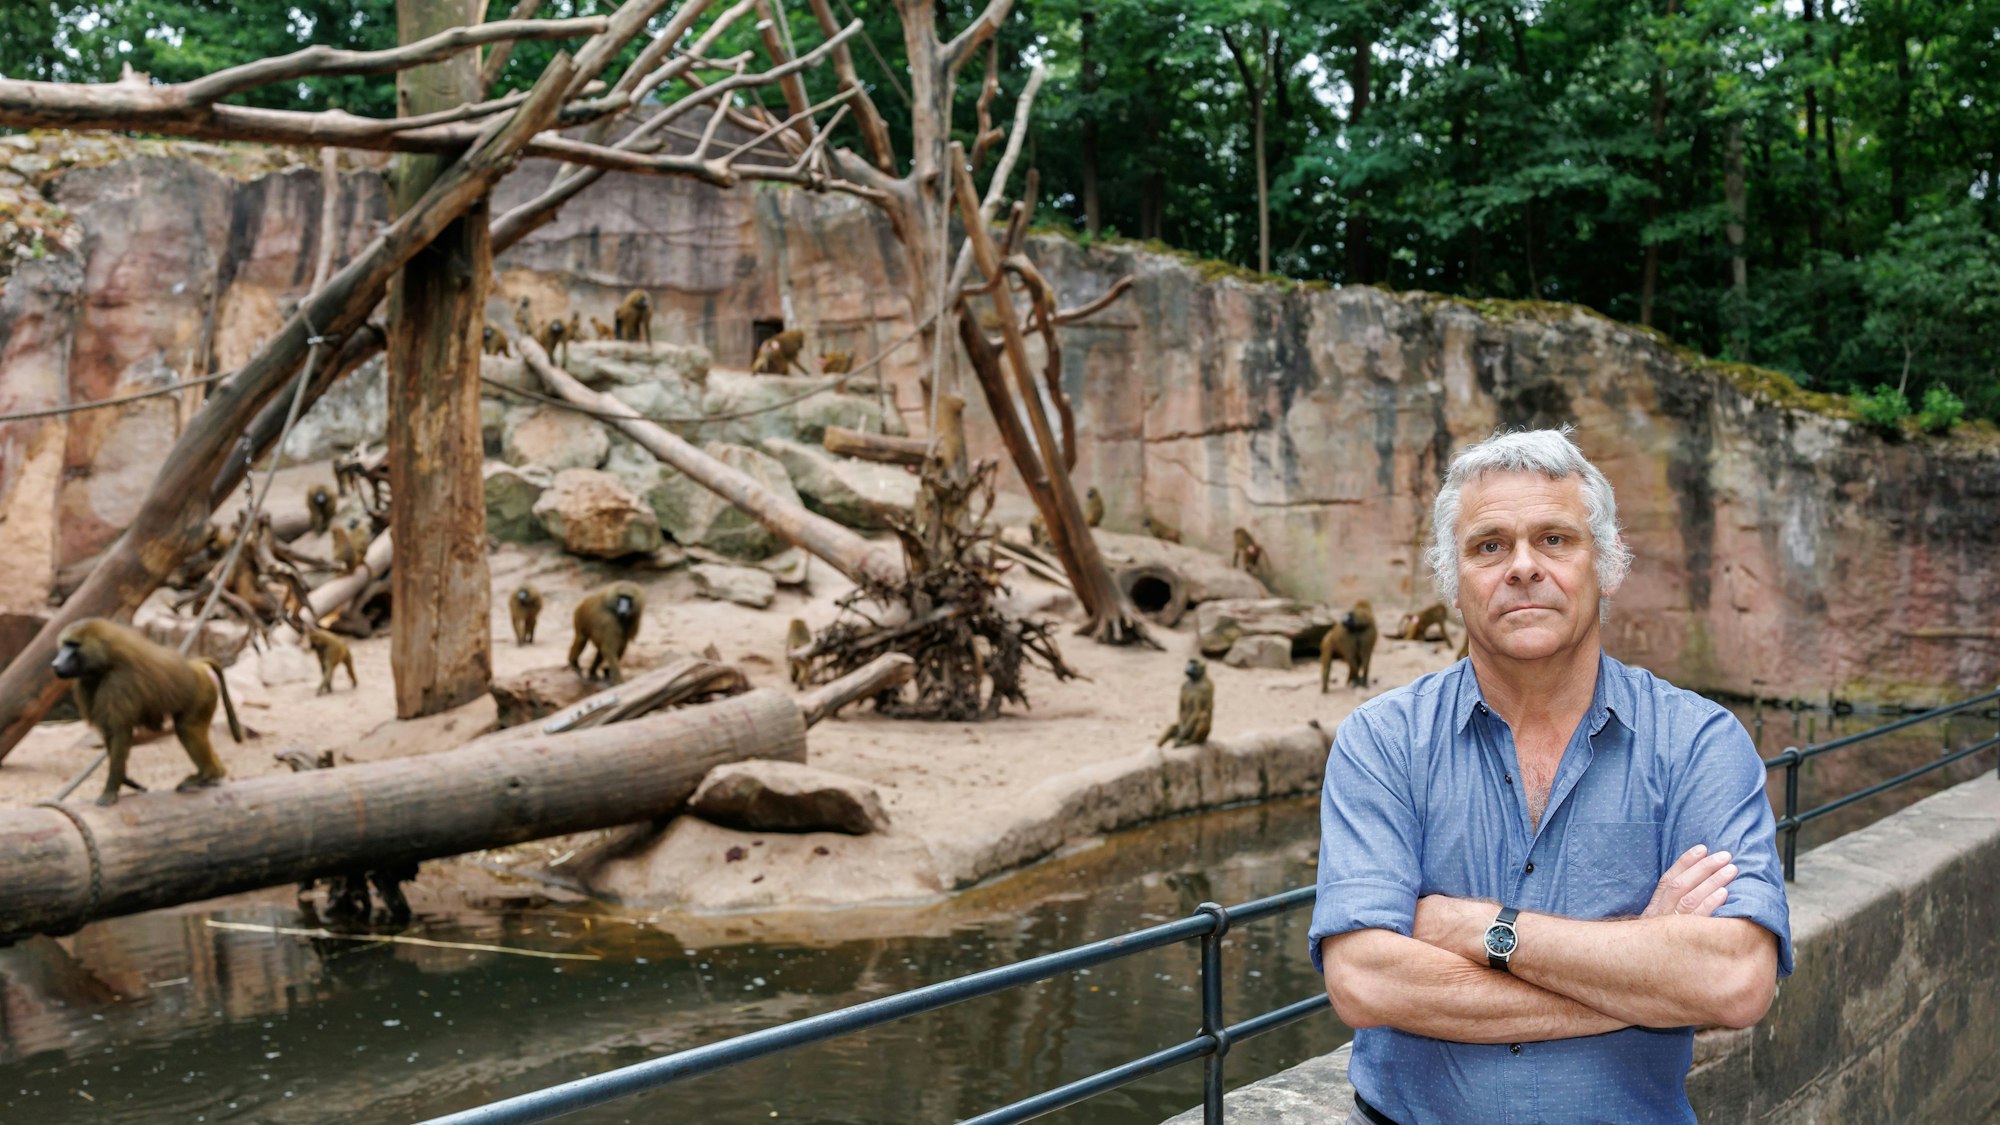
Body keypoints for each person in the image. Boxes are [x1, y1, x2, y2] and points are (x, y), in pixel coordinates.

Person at [1308, 428, 1792, 1125]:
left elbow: (1734, 978)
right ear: (1453, 579)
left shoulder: (1698, 744)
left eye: (1556, 540)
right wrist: (1639, 971)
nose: (1523, 566)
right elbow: (1363, 979)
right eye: (1489, 545)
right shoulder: (1382, 742)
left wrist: (1484, 929)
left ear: (1608, 563)